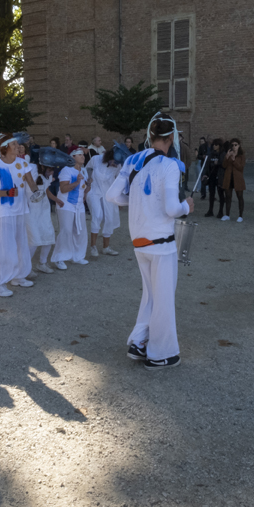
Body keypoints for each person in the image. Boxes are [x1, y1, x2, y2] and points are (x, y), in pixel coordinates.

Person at [105, 112, 193, 369]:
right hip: (161, 242)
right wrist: (186, 206)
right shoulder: (169, 165)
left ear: (151, 136)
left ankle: (139, 341)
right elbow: (172, 209)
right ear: (172, 137)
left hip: (139, 241)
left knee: (151, 295)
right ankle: (160, 353)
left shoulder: (133, 160)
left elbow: (112, 196)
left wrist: (135, 201)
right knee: (163, 298)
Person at [0, 132, 39, 295]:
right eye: (14, 145)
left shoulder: (22, 163)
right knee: (5, 247)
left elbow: (30, 181)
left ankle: (18, 276)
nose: (18, 146)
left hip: (20, 210)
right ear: (5, 148)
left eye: (17, 144)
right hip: (5, 211)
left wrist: (36, 192)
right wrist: (6, 193)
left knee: (21, 244)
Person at [30, 147, 68, 273]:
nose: (52, 172)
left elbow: (46, 191)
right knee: (33, 240)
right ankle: (26, 267)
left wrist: (56, 199)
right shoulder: (33, 172)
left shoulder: (46, 176)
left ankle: (42, 263)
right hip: (33, 211)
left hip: (44, 210)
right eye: (50, 169)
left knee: (49, 236)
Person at [51, 147, 90, 269]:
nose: (82, 156)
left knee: (81, 231)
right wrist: (77, 182)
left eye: (83, 154)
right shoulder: (66, 170)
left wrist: (86, 191)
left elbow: (84, 188)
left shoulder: (84, 171)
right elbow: (63, 189)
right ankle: (60, 258)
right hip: (66, 204)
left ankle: (77, 256)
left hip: (79, 206)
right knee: (66, 231)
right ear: (72, 157)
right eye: (79, 155)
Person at [86, 143, 127, 256]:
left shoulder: (118, 166)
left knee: (109, 219)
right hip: (94, 191)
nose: (114, 164)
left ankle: (106, 247)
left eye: (116, 163)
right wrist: (88, 179)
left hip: (108, 194)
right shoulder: (96, 159)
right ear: (109, 157)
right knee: (97, 215)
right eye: (113, 161)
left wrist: (120, 198)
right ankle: (93, 246)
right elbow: (88, 168)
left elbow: (120, 181)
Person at [220, 139, 246, 222]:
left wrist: (234, 159)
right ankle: (227, 214)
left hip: (238, 179)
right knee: (228, 197)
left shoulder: (241, 156)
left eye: (236, 145)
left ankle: (240, 215)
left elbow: (241, 167)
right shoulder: (228, 154)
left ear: (239, 146)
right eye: (232, 145)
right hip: (228, 178)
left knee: (240, 197)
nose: (234, 146)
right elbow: (224, 166)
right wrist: (227, 157)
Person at [202, 139, 224, 218]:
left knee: (220, 194)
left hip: (219, 177)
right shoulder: (210, 154)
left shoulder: (222, 154)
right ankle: (210, 210)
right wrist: (205, 174)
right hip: (211, 176)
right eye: (214, 144)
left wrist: (218, 163)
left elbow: (224, 165)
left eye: (216, 145)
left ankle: (221, 211)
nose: (214, 146)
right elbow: (206, 165)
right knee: (211, 194)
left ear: (220, 146)